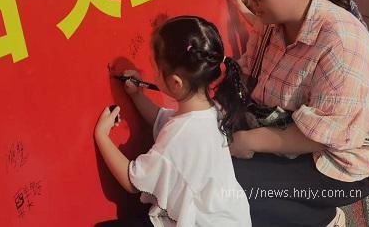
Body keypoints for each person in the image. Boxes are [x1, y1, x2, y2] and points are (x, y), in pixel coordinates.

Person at [227, 0, 369, 227]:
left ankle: (320, 218)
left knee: (232, 191)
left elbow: (322, 137)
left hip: (342, 164)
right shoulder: (271, 23)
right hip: (288, 131)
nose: (249, 0)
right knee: (219, 170)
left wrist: (251, 140)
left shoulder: (341, 43)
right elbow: (247, 74)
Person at [94, 16, 252, 226]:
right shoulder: (213, 110)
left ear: (176, 83)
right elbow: (162, 119)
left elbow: (132, 181)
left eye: (155, 69)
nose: (151, 75)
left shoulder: (177, 138)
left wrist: (101, 136)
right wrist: (137, 95)